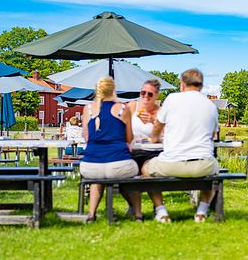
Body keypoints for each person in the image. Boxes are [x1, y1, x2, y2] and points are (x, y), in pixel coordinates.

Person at [143, 69, 219, 223]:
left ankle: (161, 211)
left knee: (145, 168)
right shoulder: (211, 106)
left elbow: (158, 126)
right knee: (215, 171)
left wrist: (154, 139)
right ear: (201, 86)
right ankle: (202, 211)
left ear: (182, 85)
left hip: (171, 164)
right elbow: (212, 135)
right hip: (202, 165)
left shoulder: (172, 99)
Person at [80, 77, 139, 223]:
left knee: (98, 179)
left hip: (90, 165)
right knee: (134, 175)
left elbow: (86, 137)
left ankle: (91, 214)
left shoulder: (88, 109)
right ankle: (138, 214)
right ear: (114, 90)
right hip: (118, 164)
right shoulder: (123, 109)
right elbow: (129, 138)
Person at [125, 79, 163, 217]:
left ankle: (158, 208)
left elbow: (165, 137)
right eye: (143, 92)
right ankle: (133, 206)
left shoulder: (160, 112)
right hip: (132, 150)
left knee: (147, 172)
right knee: (125, 173)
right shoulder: (132, 106)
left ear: (157, 95)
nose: (145, 96)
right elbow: (122, 127)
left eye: (150, 94)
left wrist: (153, 122)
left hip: (152, 151)